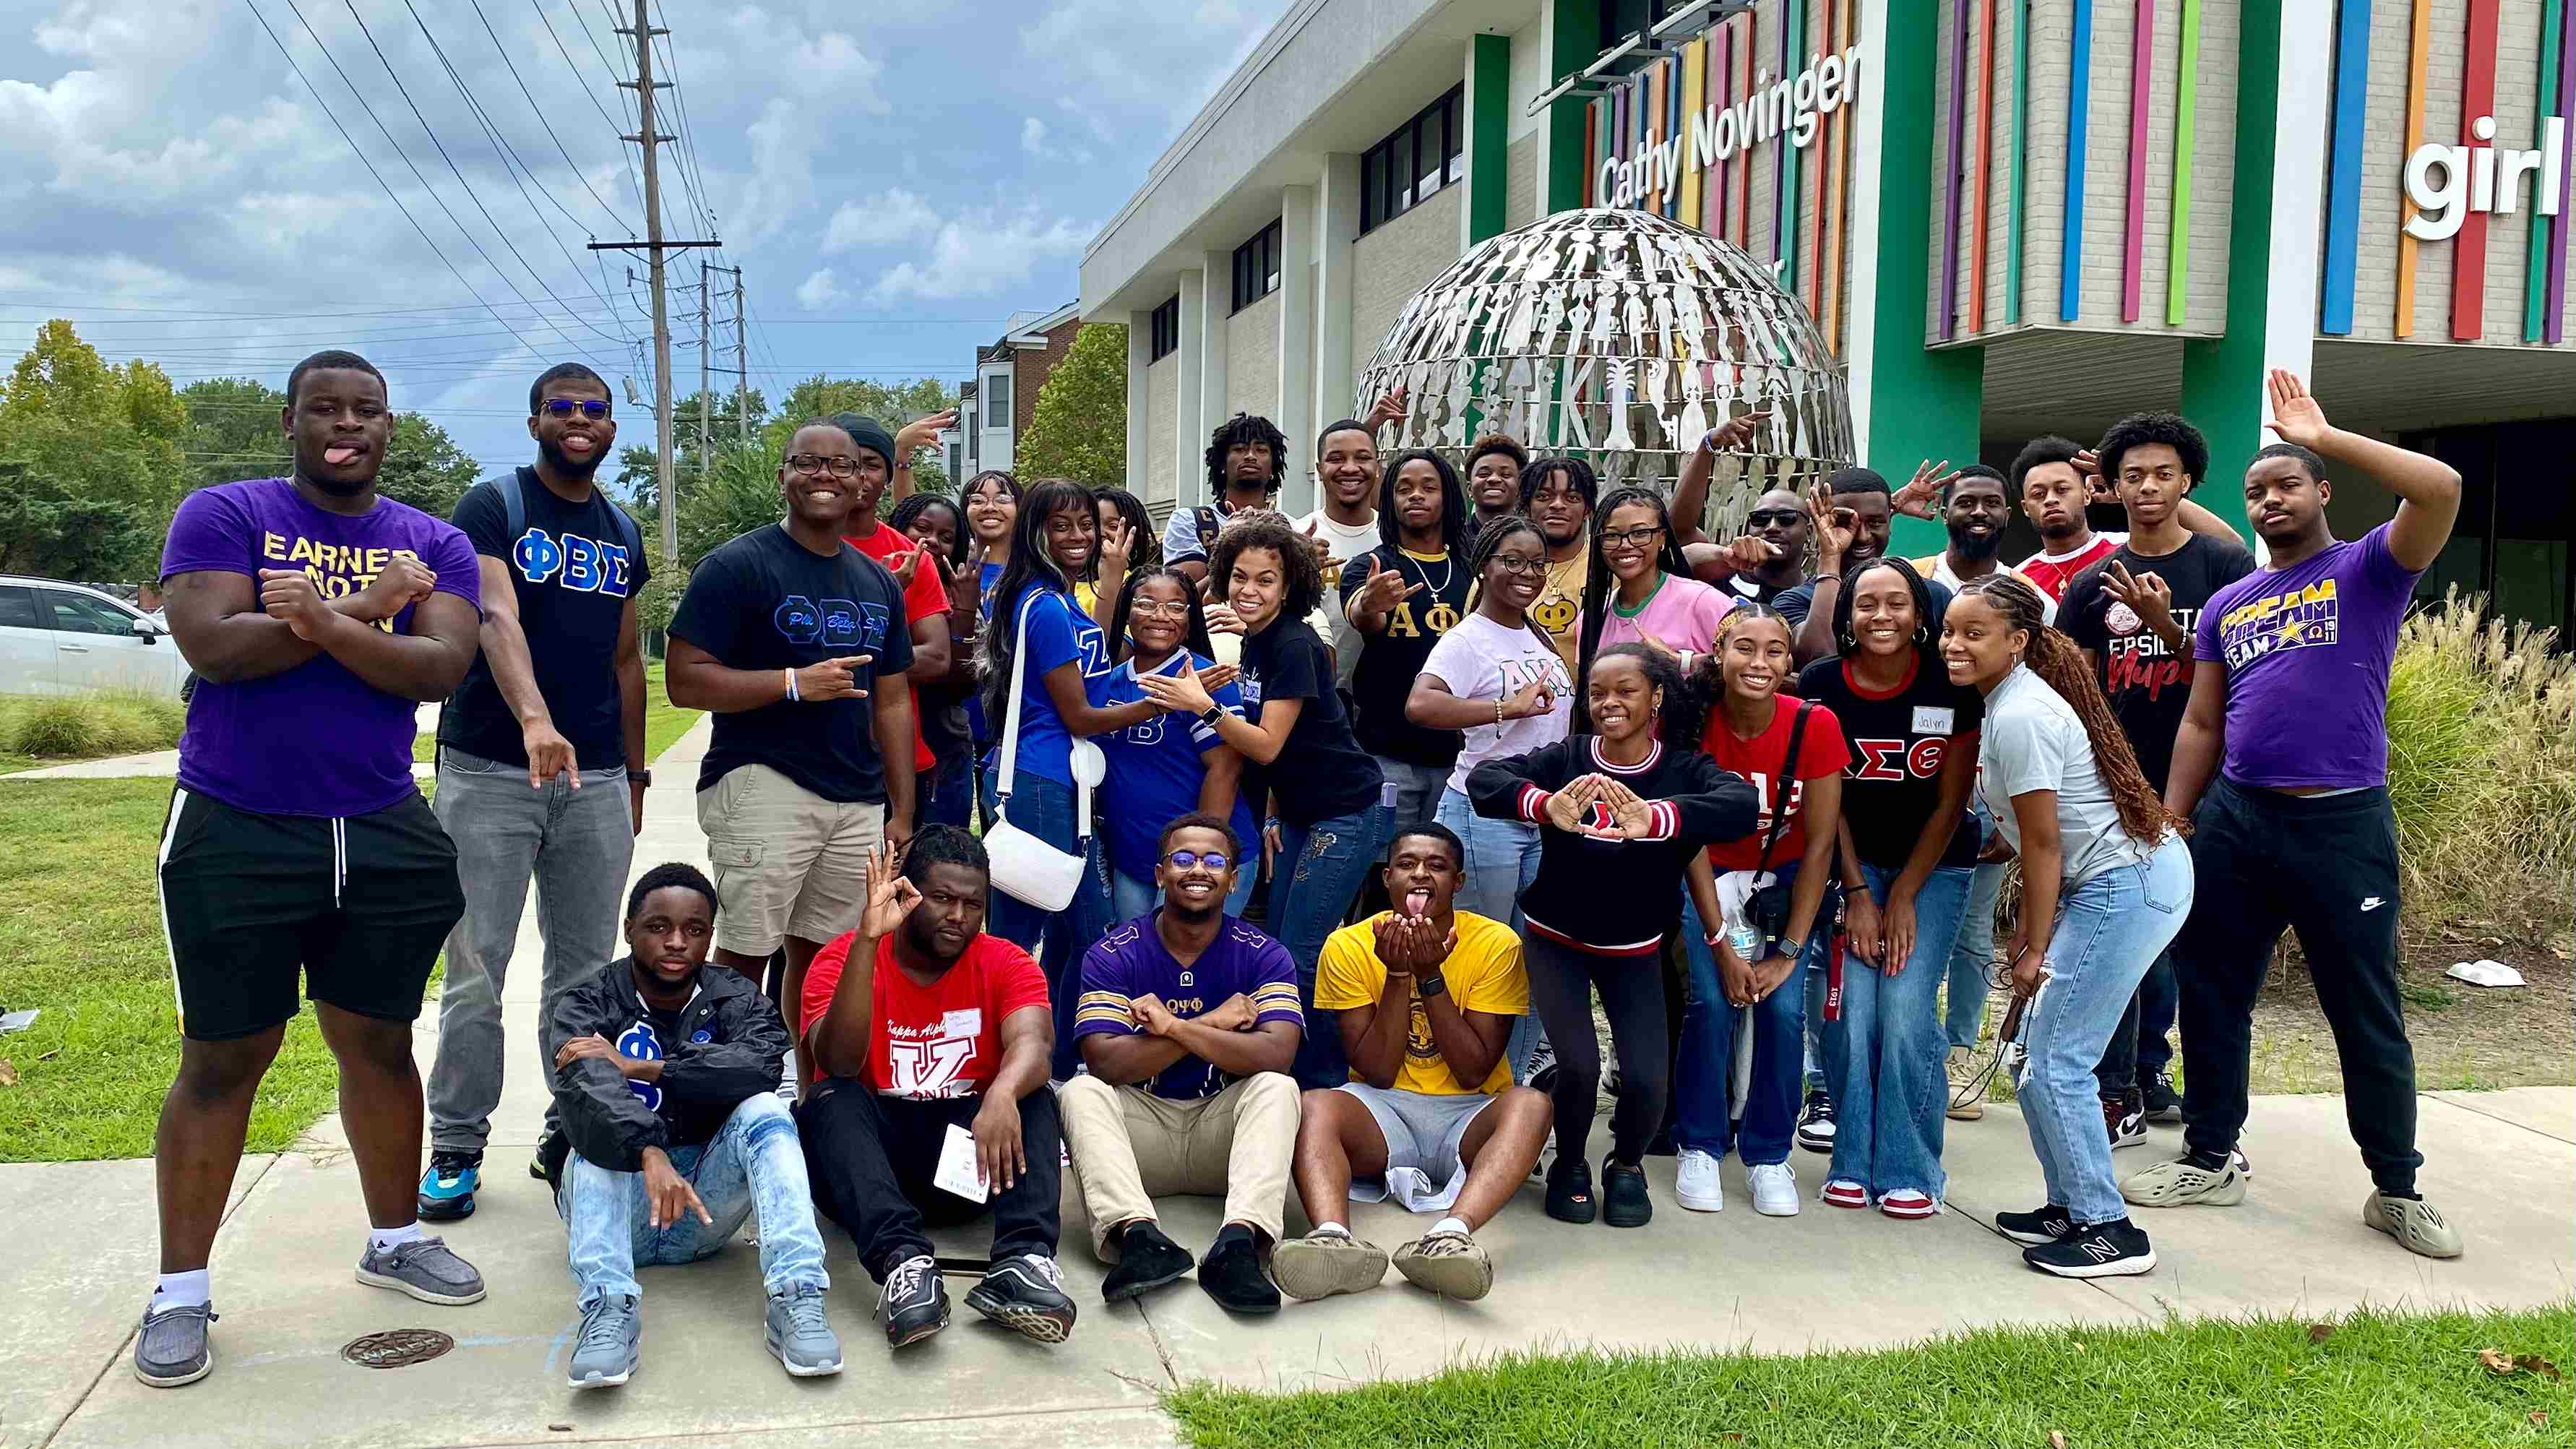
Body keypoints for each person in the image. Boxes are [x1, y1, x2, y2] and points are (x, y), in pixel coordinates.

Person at [140, 349, 486, 1389]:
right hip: (238, 821)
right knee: (224, 1056)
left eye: (365, 410)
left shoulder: (434, 542)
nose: (347, 424)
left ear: (388, 426)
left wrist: (322, 614)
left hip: (379, 824)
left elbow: (439, 668)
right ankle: (180, 1292)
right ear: (290, 421)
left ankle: (395, 1239)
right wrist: (372, 609)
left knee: (379, 1043)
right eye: (324, 408)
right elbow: (215, 647)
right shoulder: (226, 513)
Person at [2123, 371, 2465, 1260]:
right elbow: (2202, 721)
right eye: (2255, 492)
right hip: (2238, 821)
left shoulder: (2369, 568)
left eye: (2286, 484)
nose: (2269, 500)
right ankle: (2209, 1157)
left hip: (2341, 825)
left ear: (2321, 492)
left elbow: (2440, 488)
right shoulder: (2230, 602)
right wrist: (2173, 818)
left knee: (2363, 1008)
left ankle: (2396, 1188)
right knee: (2212, 994)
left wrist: (2323, 434)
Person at [419, 362, 649, 1221]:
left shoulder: (623, 530)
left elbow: (627, 661)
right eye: (562, 408)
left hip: (594, 781)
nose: (579, 420)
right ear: (534, 423)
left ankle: (570, 1130)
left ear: (612, 428)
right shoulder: (494, 506)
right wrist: (534, 719)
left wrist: (633, 773)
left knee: (584, 974)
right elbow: (493, 614)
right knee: (477, 967)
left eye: (595, 410)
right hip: (490, 770)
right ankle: (456, 1144)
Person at [1940, 573, 2194, 1278]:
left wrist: (2031, 943)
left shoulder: (2021, 713)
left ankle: (2110, 1230)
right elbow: (2033, 831)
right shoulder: (2005, 699)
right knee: (2031, 1058)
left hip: (2126, 887)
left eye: (1973, 633)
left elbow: (2044, 844)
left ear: (2017, 641)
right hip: (2107, 882)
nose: (1953, 644)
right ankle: (2071, 1204)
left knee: (2056, 1060)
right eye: (1950, 630)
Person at [666, 419, 918, 1086]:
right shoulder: (738, 565)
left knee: (825, 962)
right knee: (744, 955)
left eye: (841, 465)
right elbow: (684, 680)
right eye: (808, 463)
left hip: (856, 797)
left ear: (863, 482)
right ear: (782, 477)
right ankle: (724, 1096)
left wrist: (901, 808)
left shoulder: (877, 582)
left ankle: (815, 1102)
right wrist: (791, 683)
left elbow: (892, 701)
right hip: (764, 781)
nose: (825, 475)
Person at [1469, 645, 1757, 1226]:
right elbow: (1485, 778)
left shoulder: (1681, 769)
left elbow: (1740, 805)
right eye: (1597, 692)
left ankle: (1624, 1164)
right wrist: (1543, 804)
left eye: (1626, 690)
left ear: (1656, 697)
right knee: (1577, 1065)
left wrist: (1658, 818)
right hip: (1555, 940)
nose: (1609, 703)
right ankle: (1570, 1162)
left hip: (1633, 950)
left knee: (1649, 1080)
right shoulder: (1569, 756)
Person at [543, 864, 840, 1388]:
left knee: (767, 1111)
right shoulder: (587, 1001)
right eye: (658, 926)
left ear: (710, 935)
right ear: (629, 928)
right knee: (591, 1139)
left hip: (704, 1207)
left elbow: (760, 1065)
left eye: (694, 929)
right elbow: (587, 1088)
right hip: (622, 1209)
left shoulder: (733, 995)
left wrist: (649, 1068)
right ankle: (608, 1308)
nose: (677, 942)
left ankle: (797, 1295)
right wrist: (648, 1150)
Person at [1137, 514, 1388, 1089]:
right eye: (1239, 576)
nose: (1249, 590)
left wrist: (1199, 704)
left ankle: (1321, 1083)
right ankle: (1289, 1072)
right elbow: (1284, 744)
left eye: (1265, 580)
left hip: (1345, 810)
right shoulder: (1256, 638)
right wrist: (1274, 812)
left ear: (1289, 583)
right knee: (1277, 949)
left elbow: (1268, 743)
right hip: (1302, 812)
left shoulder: (1294, 643)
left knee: (1299, 954)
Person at [798, 830, 1078, 1346]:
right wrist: (867, 941)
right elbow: (837, 1062)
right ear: (907, 893)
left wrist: (1002, 1093)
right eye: (943, 898)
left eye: (973, 904)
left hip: (970, 1169)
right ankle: (904, 1266)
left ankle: (1023, 1262)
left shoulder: (1006, 961)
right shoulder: (841, 958)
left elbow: (1035, 1045)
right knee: (830, 1097)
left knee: (1033, 1092)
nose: (958, 916)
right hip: (868, 1172)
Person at [2059, 412, 2257, 1143]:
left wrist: (2166, 625)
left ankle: (2167, 1085)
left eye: (2162, 474)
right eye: (2133, 475)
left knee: (2186, 943)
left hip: (2208, 785)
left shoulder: (2223, 567)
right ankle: (2118, 1091)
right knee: (2117, 936)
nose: (2147, 488)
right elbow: (2077, 691)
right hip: (2116, 789)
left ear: (2187, 482)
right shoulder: (2091, 582)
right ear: (2111, 487)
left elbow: (2235, 672)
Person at [1270, 825, 1551, 1302]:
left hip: (1469, 1112)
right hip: (1382, 1111)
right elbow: (1376, 1071)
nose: (1420, 875)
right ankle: (1333, 1239)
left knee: (1532, 1104)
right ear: (1387, 878)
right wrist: (1398, 975)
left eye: (1436, 866)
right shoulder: (1349, 945)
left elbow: (1473, 1071)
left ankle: (1450, 1237)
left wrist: (1430, 976)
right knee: (1313, 1103)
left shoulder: (1495, 943)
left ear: (1458, 882)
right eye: (1406, 864)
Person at [1798, 558, 1983, 1218]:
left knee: (1904, 1009)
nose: (1882, 616)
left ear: (1920, 614)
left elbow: (1951, 803)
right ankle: (1851, 1158)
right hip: (1850, 865)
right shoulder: (1821, 683)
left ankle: (1911, 1167)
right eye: (1866, 603)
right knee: (1851, 1012)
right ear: (1847, 616)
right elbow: (1826, 804)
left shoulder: (1948, 682)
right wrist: (1857, 894)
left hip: (1932, 868)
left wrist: (1901, 894)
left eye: (1896, 602)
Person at [1059, 816, 1304, 1313]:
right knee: (1080, 1091)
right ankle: (1138, 1239)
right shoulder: (1113, 953)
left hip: (1223, 1138)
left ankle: (1239, 1245)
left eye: (1214, 861)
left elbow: (1276, 1054)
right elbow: (1104, 1062)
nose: (1198, 870)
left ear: (1232, 879)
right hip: (1140, 1139)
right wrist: (1212, 1022)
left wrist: (1171, 1026)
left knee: (1278, 1089)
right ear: (1159, 873)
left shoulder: (1264, 955)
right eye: (1183, 858)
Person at [979, 478, 1166, 1077]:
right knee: (1025, 937)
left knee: (1074, 934)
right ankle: (1002, 1063)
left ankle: (1053, 1063)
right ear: (1035, 531)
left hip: (1062, 783)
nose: (1078, 535)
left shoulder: (1059, 599)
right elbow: (1079, 715)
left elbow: (1093, 675)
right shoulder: (1043, 605)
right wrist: (1159, 705)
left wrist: (1145, 679)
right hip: (1040, 782)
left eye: (1086, 523)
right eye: (1060, 525)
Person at [1671, 607, 1846, 1217]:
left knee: (1782, 1009)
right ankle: (1699, 1142)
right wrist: (1719, 944)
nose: (1759, 662)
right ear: (1718, 655)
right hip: (1707, 873)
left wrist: (1789, 952)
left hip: (1785, 880)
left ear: (1788, 661)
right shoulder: (1694, 721)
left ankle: (1769, 1153)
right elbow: (1688, 836)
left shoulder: (1813, 723)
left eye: (1774, 650)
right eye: (1744, 648)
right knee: (1711, 1002)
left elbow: (1820, 842)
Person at [1409, 517, 1573, 1080]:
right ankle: (1456, 1081)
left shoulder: (1536, 633)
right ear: (1483, 565)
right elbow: (1421, 705)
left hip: (1541, 815)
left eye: (1537, 563)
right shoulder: (1466, 640)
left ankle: (1512, 1080)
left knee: (1535, 957)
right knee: (1479, 954)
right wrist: (1506, 707)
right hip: (1484, 816)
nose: (1527, 573)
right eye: (1512, 560)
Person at [1094, 567, 1258, 919]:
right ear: (1126, 611)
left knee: (1185, 950)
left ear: (1189, 618)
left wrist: (1198, 855)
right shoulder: (1110, 681)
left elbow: (1226, 769)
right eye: (1146, 604)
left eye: (1175, 607)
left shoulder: (1204, 679)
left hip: (1198, 860)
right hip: (1134, 859)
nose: (1160, 616)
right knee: (1139, 951)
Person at [1340, 449, 1472, 836]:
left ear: (1447, 497)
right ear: (1389, 500)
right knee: (1386, 860)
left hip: (1459, 755)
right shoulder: (1369, 566)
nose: (1416, 495)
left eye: (1428, 487)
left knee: (1446, 862)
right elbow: (1364, 618)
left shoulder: (1473, 568)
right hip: (1387, 752)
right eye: (1404, 488)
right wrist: (1371, 602)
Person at [832, 413, 955, 820]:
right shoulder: (787, 552)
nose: (859, 475)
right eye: (846, 462)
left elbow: (936, 657)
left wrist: (832, 663)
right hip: (800, 760)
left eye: (871, 464)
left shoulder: (910, 556)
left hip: (891, 761)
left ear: (888, 477)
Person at [1990, 436, 2238, 601]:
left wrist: (2131, 491)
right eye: (2038, 494)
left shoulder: (2130, 548)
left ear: (2087, 493)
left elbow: (2231, 546)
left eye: (2062, 489)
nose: (2051, 500)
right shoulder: (2019, 579)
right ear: (2025, 507)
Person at [1572, 487, 1736, 700]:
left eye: (1640, 533)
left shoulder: (1702, 601)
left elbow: (1757, 662)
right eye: (1612, 535)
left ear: (1662, 538)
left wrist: (1679, 661)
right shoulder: (1590, 620)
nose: (1625, 544)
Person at [1780, 468, 1947, 668]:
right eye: (1844, 523)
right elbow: (1821, 655)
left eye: (1875, 522)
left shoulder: (1931, 595)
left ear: (1889, 523)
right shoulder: (1794, 601)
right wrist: (1831, 555)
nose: (1862, 536)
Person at [889, 492, 983, 830]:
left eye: (946, 537)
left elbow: (962, 683)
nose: (932, 541)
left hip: (943, 742)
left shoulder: (961, 590)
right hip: (888, 740)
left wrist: (964, 613)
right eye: (922, 528)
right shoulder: (875, 579)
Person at [1901, 463, 2058, 624]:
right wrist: (1894, 505)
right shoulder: (1908, 579)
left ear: (2007, 515)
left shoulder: (2034, 600)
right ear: (1945, 515)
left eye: (1992, 503)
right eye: (1965, 503)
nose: (1979, 512)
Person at [1300, 416, 1390, 692]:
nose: (1350, 468)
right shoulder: (1295, 536)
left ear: (1377, 467)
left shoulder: (1395, 538)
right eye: (1336, 459)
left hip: (1380, 699)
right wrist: (1292, 566)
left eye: (1362, 458)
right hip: (1309, 695)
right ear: (1319, 469)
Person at [1164, 413, 1292, 590]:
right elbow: (1183, 595)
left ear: (1273, 467)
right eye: (1239, 449)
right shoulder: (1190, 520)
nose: (1250, 456)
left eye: (1261, 450)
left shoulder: (1292, 528)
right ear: (1222, 464)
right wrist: (1232, 545)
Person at [958, 469, 1022, 799]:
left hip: (1010, 716)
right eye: (978, 500)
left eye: (1002, 499)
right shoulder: (953, 567)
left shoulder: (1030, 573)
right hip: (957, 712)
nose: (990, 507)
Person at [1516, 455, 1598, 675]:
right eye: (1544, 496)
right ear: (1526, 507)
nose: (1557, 505)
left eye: (1572, 497)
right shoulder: (1502, 570)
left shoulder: (1609, 565)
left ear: (1588, 509)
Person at [1084, 486, 1162, 637]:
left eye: (1113, 526)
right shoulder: (1063, 582)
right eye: (1090, 524)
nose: (1100, 533)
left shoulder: (1141, 587)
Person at [1460, 433, 1528, 548]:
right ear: (1470, 489)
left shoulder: (1533, 543)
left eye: (1506, 474)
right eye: (1484, 474)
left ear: (1520, 487)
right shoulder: (1452, 543)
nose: (1494, 479)